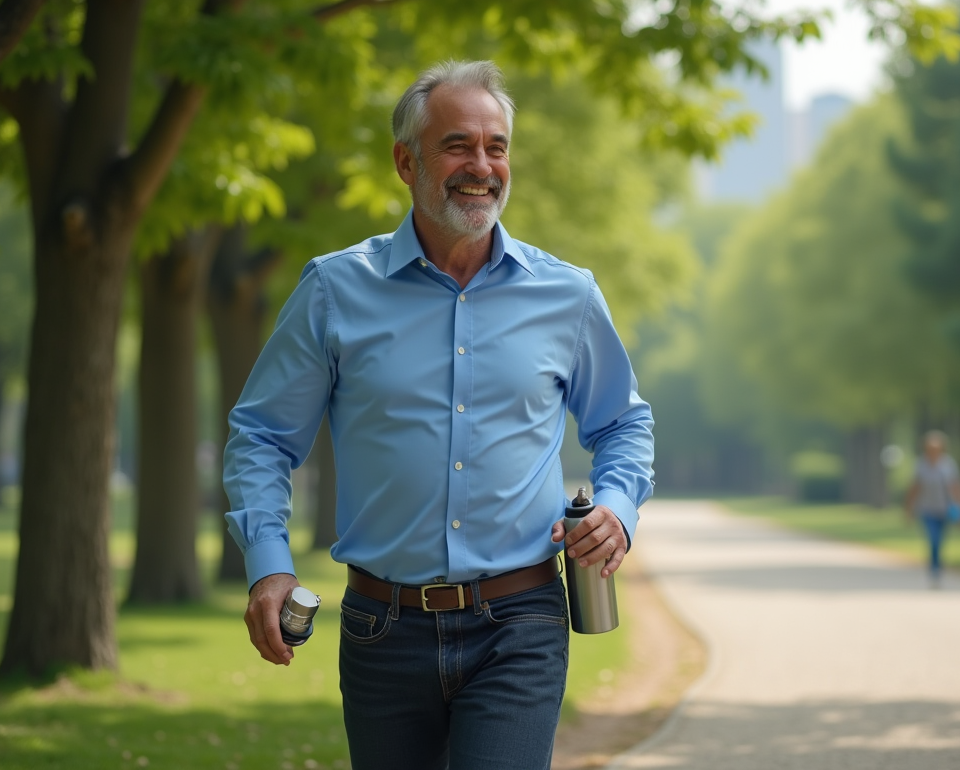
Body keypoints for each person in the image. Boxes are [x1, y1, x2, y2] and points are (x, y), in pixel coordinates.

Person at [222, 59, 655, 770]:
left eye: (496, 147)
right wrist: (269, 566)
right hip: (381, 629)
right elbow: (262, 436)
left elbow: (623, 423)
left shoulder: (568, 295)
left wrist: (617, 507)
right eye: (458, 146)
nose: (481, 166)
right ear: (406, 162)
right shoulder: (334, 290)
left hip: (520, 622)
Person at [903, 430, 960, 585]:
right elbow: (915, 487)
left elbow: (955, 486)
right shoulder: (921, 464)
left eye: (936, 448)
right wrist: (909, 508)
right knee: (933, 539)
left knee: (940, 541)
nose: (933, 450)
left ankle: (937, 566)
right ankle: (934, 569)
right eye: (930, 448)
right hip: (926, 509)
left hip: (944, 509)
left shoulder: (948, 464)